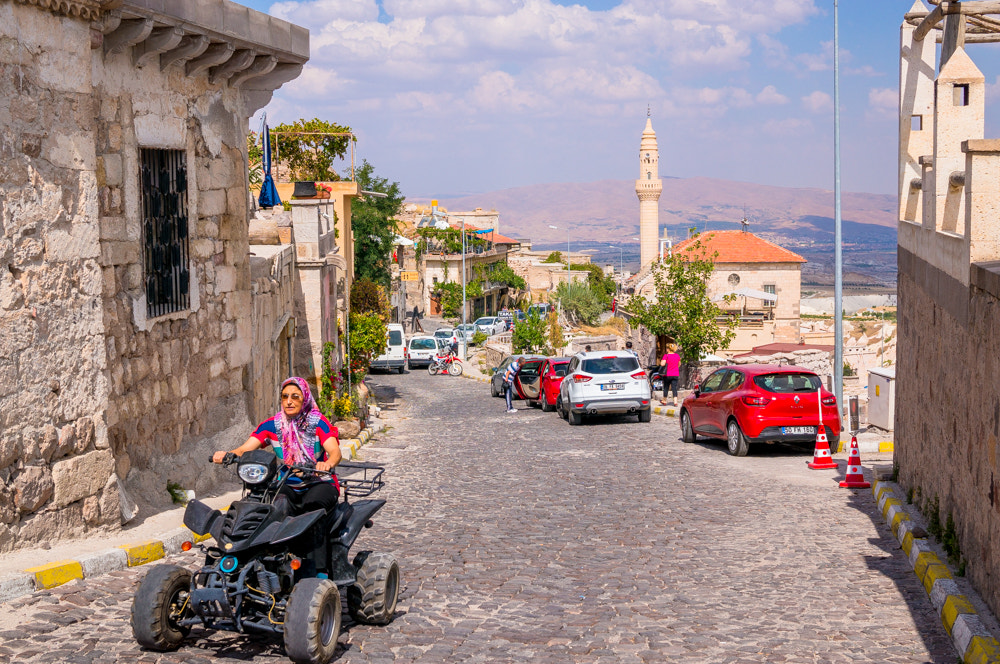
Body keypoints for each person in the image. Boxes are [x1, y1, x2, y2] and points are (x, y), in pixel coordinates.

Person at [213, 377, 342, 515]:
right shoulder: (272, 425)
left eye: (295, 397)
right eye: (284, 397)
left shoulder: (318, 422)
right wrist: (228, 455)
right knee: (270, 505)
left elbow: (335, 451)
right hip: (287, 483)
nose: (289, 401)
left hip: (319, 482)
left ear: (305, 398)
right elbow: (244, 449)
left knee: (313, 509)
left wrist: (327, 464)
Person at [659, 343, 681, 407]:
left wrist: (662, 361)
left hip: (667, 374)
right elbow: (679, 364)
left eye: (666, 348)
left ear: (668, 349)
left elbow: (662, 364)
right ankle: (675, 402)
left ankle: (664, 400)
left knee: (666, 387)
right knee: (674, 388)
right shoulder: (677, 356)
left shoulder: (666, 356)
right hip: (675, 374)